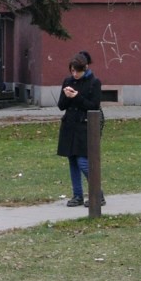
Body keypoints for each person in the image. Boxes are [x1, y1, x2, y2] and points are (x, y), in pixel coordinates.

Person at [57, 52, 105, 207]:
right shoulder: (68, 81)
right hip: (69, 126)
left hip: (85, 127)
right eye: (72, 71)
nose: (75, 74)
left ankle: (97, 194)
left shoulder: (94, 82)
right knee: (72, 161)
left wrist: (76, 97)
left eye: (78, 71)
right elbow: (61, 106)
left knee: (83, 162)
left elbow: (94, 106)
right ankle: (77, 195)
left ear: (85, 68)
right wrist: (66, 95)